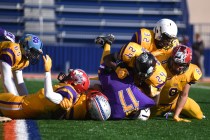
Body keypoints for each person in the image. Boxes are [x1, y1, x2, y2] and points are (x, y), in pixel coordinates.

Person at [0, 55, 111, 122]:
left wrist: (47, 71)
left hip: (19, 106)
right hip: (24, 103)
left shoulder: (68, 91)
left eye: (70, 75)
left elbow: (49, 95)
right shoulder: (76, 97)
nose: (66, 75)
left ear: (74, 82)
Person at [94, 35, 157, 120]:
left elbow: (106, 60)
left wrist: (117, 68)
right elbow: (154, 102)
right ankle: (107, 43)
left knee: (107, 69)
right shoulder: (116, 115)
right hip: (111, 83)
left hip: (108, 75)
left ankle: (107, 43)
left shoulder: (129, 76)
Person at [96, 34, 167, 103]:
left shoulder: (159, 77)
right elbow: (107, 59)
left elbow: (154, 101)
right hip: (128, 68)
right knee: (105, 68)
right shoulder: (130, 52)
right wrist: (117, 68)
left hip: (142, 81)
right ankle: (107, 43)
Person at [151, 45, 204, 122]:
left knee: (199, 116)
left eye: (182, 65)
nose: (178, 67)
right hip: (156, 103)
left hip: (175, 102)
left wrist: (176, 116)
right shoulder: (160, 63)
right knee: (141, 115)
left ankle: (176, 112)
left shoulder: (191, 71)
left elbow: (184, 95)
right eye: (176, 63)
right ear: (171, 59)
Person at [0, 30, 43, 96]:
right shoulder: (13, 50)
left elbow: (20, 82)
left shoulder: (23, 60)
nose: (34, 55)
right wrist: (15, 100)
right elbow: (6, 80)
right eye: (33, 52)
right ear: (24, 46)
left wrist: (25, 100)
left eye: (36, 53)